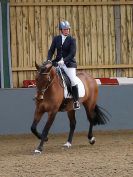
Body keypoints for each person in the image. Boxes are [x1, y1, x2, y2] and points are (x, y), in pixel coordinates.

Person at [47, 20, 80, 110]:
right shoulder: (56, 39)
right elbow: (51, 50)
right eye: (65, 29)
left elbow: (72, 53)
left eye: (68, 29)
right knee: (48, 76)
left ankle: (76, 101)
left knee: (73, 80)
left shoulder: (72, 40)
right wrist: (49, 60)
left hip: (69, 64)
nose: (67, 31)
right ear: (61, 30)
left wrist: (64, 61)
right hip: (57, 62)